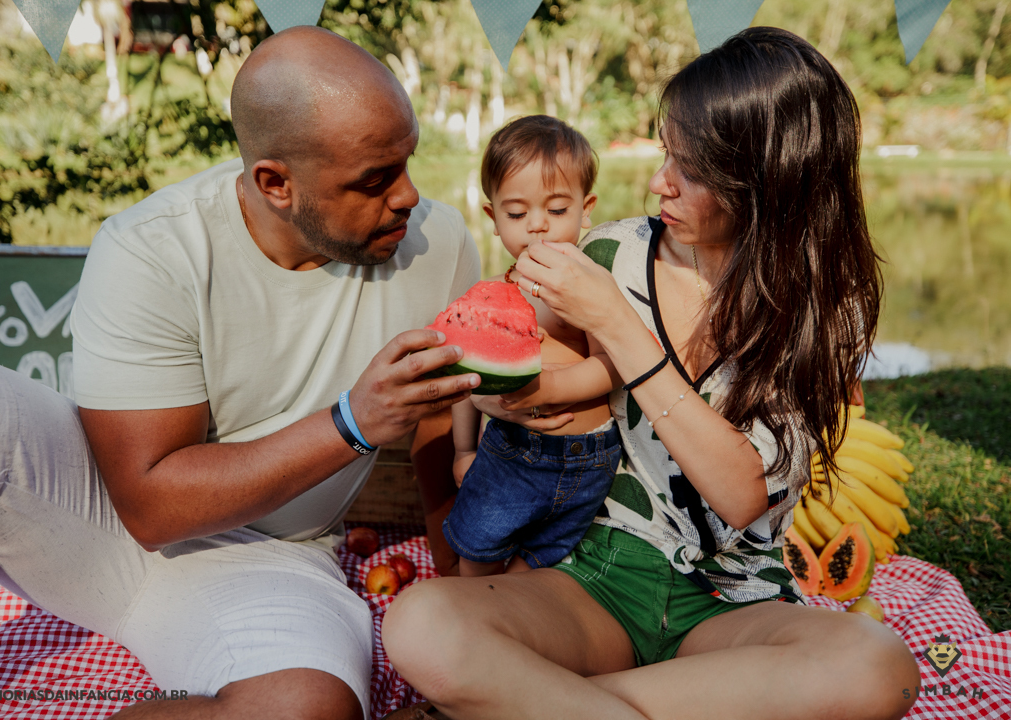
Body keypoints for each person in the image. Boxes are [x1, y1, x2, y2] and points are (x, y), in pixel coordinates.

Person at [0, 27, 480, 720]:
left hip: (277, 556)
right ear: (275, 184)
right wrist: (351, 424)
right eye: (374, 181)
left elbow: (440, 437)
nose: (407, 197)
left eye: (407, 163)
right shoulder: (153, 249)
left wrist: (465, 591)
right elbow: (149, 509)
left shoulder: (437, 246)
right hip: (96, 515)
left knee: (302, 711)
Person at [384, 27, 921, 720]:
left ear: (764, 179)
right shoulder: (609, 253)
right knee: (420, 621)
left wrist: (616, 325)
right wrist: (502, 397)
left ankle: (523, 708)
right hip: (594, 577)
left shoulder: (825, 310)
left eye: (689, 169)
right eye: (666, 150)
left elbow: (741, 494)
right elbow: (528, 378)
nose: (657, 181)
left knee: (880, 667)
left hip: (730, 603)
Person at [445, 116, 622, 577]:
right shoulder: (489, 297)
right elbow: (465, 377)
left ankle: (510, 620)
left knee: (545, 561)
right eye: (518, 214)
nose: (537, 227)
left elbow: (612, 367)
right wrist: (464, 451)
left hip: (591, 459)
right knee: (477, 550)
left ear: (587, 210)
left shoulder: (591, 286)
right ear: (493, 217)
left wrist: (548, 388)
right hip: (512, 452)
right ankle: (470, 625)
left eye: (558, 211)